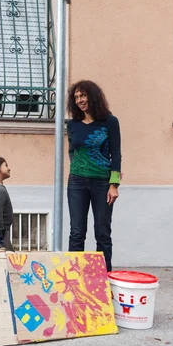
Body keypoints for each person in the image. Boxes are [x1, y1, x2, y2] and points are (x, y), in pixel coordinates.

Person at [66, 80, 122, 272]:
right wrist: (79, 168)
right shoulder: (72, 124)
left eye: (83, 95)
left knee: (102, 232)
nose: (80, 100)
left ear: (93, 96)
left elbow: (116, 154)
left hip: (102, 184)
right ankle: (74, 280)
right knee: (77, 232)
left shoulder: (110, 122)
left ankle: (103, 278)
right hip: (76, 183)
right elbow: (72, 152)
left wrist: (114, 184)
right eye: (76, 97)